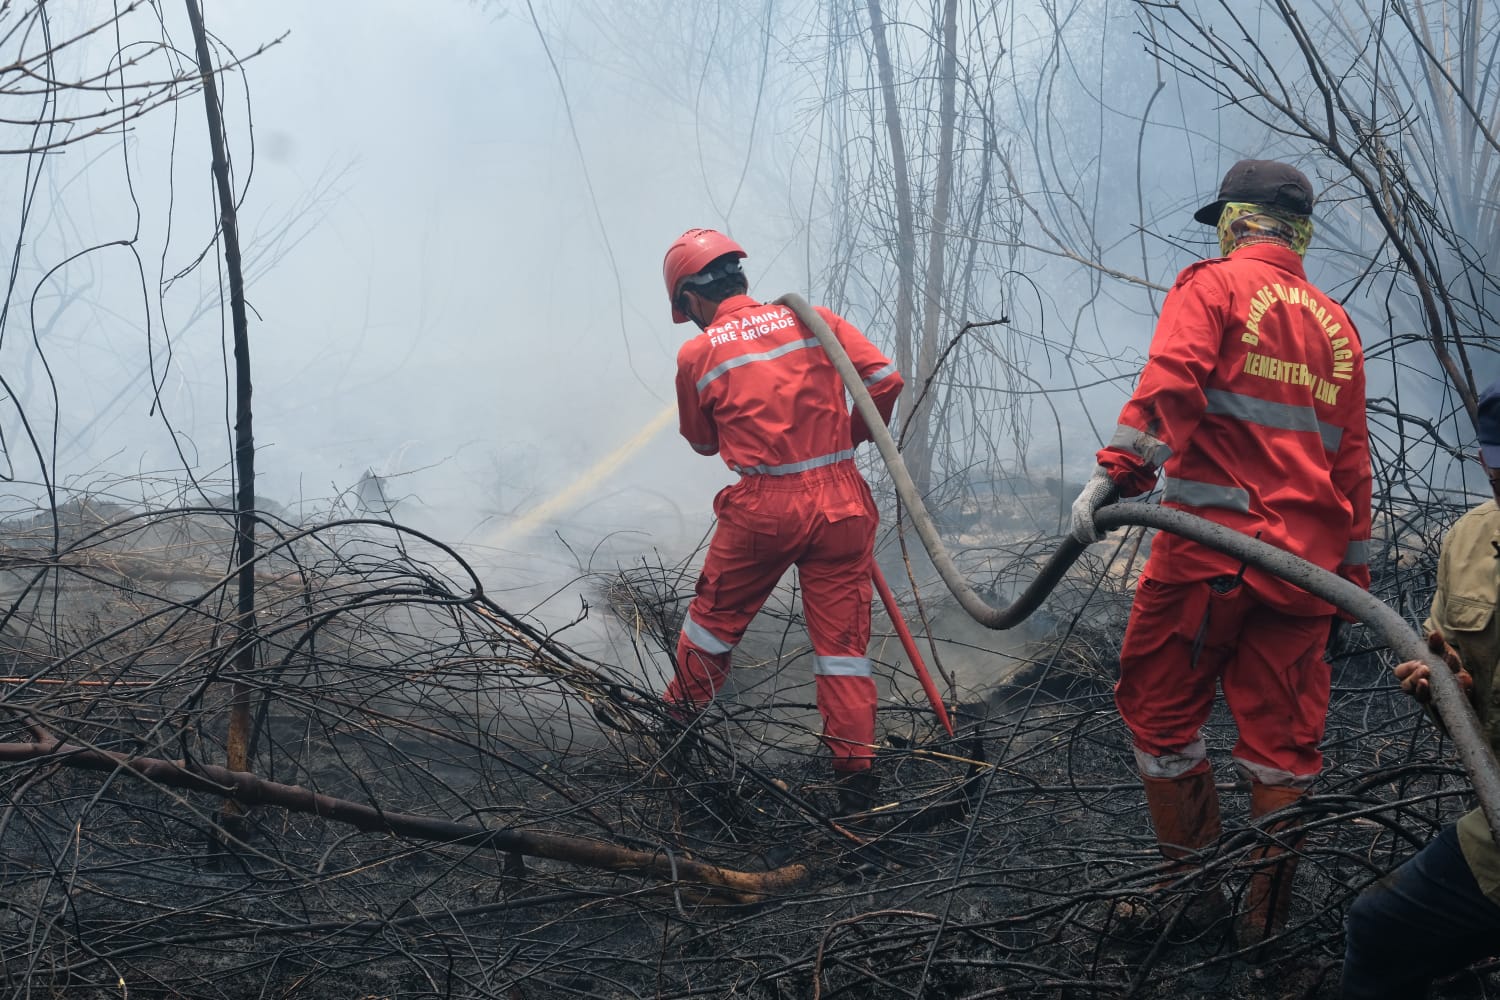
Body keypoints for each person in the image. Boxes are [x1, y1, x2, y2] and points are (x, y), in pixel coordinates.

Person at [1070, 159, 1373, 945]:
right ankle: (1264, 927)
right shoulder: (1338, 326)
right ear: (1299, 233)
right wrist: (1352, 584)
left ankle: (1192, 894)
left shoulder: (1215, 287)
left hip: (1212, 560)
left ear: (1237, 221)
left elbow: (1172, 382)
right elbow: (1352, 466)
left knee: (1159, 711)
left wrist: (1116, 476)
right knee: (1285, 748)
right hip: (1308, 577)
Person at [659, 228, 904, 815]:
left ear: (690, 298)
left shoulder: (697, 354)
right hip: (843, 506)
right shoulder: (811, 319)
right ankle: (857, 791)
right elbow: (884, 380)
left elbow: (702, 443)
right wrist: (845, 442)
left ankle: (672, 743)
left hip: (765, 511)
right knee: (843, 652)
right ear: (739, 277)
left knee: (712, 628)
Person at [1341, 381, 1500, 998]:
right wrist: (1444, 691)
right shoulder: (1470, 542)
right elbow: (1470, 714)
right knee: (1379, 928)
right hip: (1497, 830)